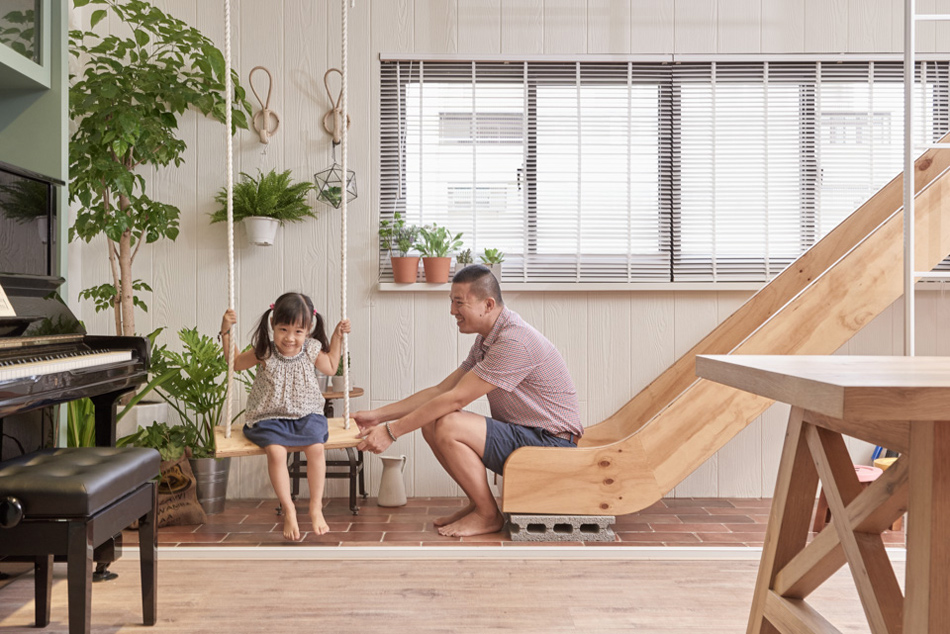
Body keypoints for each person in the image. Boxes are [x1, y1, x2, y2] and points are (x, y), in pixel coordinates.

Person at [356, 265, 582, 537]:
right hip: (529, 435)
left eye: (459, 302)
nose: (452, 310)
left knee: (449, 423)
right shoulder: (488, 339)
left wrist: (392, 432)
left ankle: (488, 515)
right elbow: (442, 390)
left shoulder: (514, 341)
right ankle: (480, 505)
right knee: (432, 421)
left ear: (487, 304)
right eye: (452, 301)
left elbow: (456, 399)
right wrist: (378, 416)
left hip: (551, 444)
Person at [220, 293, 351, 541]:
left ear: (308, 330)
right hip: (269, 416)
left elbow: (332, 367)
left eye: (298, 331)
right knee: (276, 452)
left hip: (306, 414)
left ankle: (315, 506)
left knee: (316, 448)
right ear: (273, 325)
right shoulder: (265, 351)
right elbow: (235, 363)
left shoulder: (311, 349)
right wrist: (226, 330)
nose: (290, 338)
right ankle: (288, 508)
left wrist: (337, 336)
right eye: (283, 329)